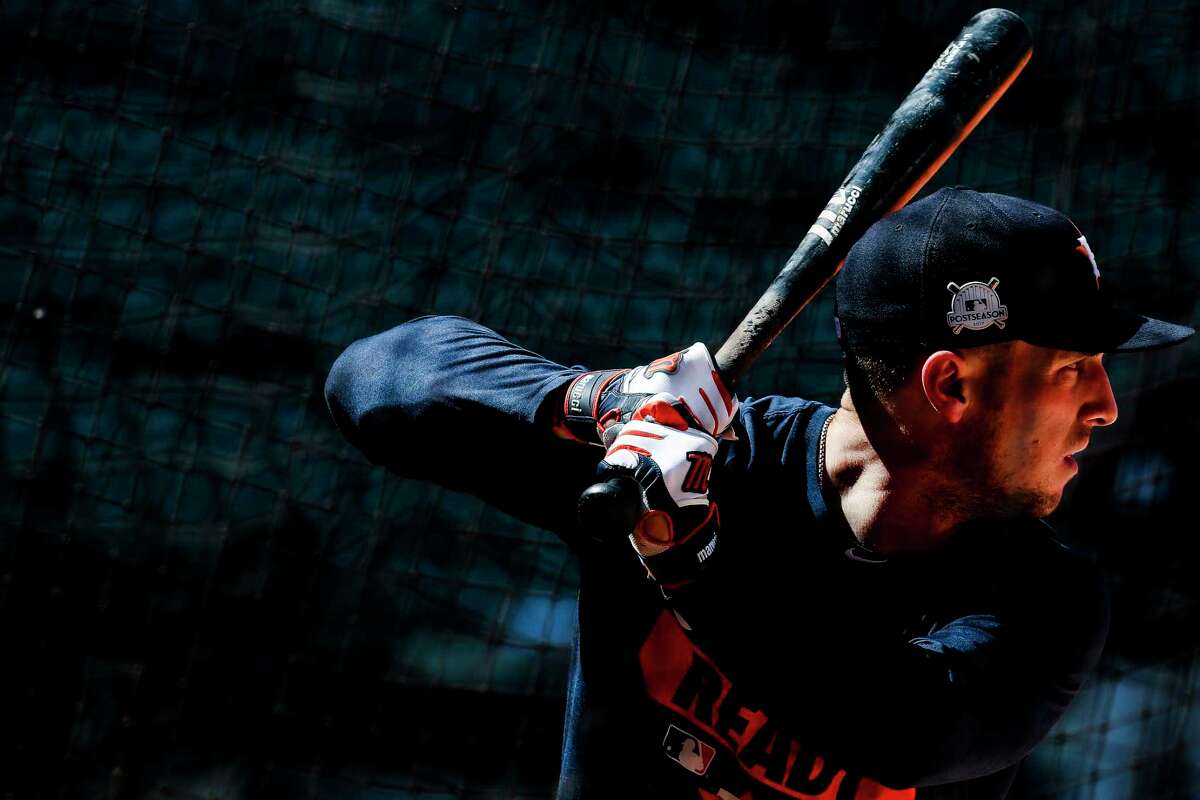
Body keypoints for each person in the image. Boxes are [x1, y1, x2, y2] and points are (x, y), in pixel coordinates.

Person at [323, 188, 1193, 799]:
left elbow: (903, 729)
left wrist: (693, 556)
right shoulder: (706, 464)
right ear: (951, 387)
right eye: (1074, 370)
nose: (1105, 407)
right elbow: (372, 380)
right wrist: (597, 402)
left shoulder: (1049, 599)